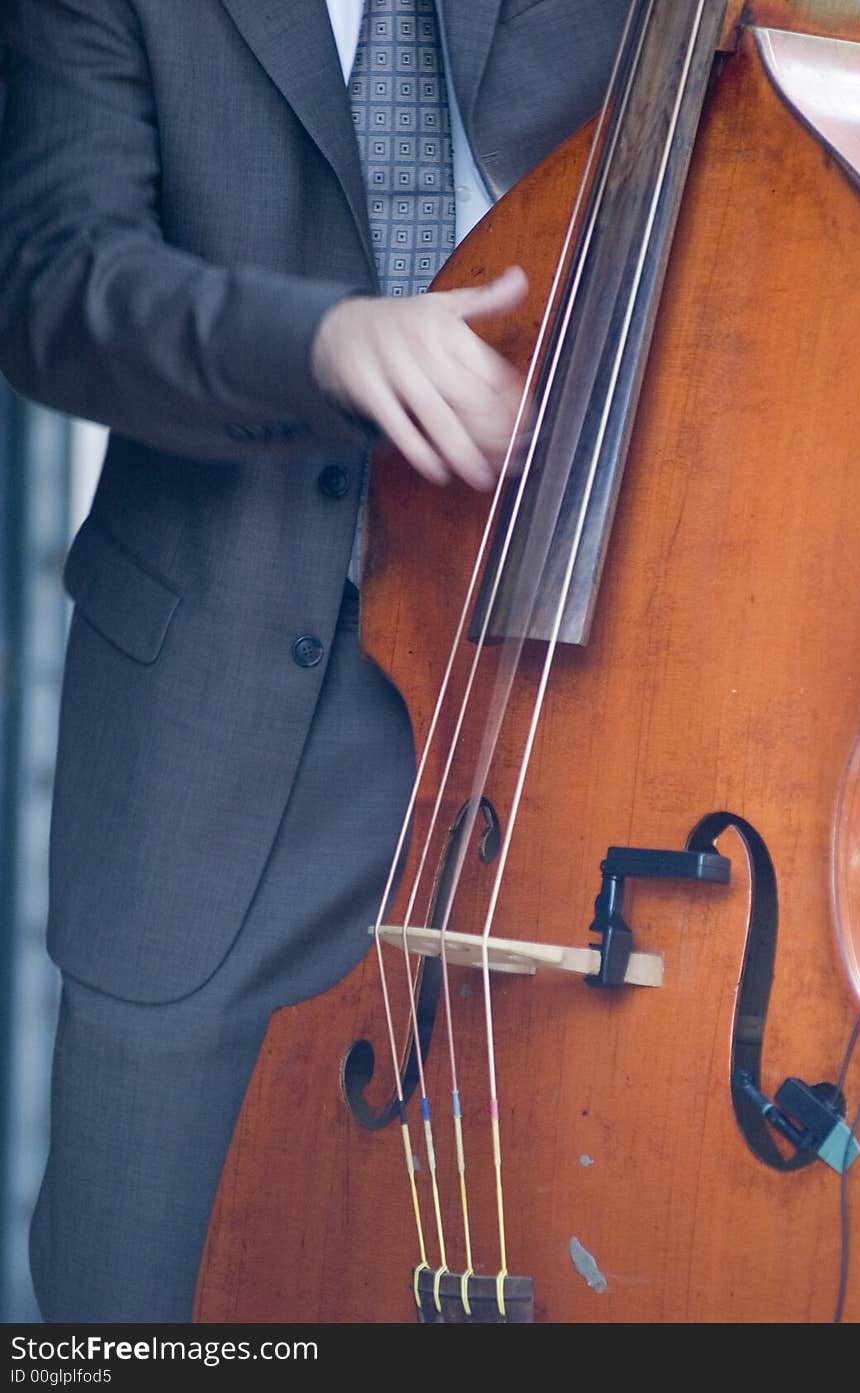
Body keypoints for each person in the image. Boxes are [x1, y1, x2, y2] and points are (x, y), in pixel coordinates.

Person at [0, 0, 630, 1322]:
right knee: (133, 1297)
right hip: (215, 735)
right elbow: (58, 280)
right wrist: (325, 341)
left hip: (583, 690)